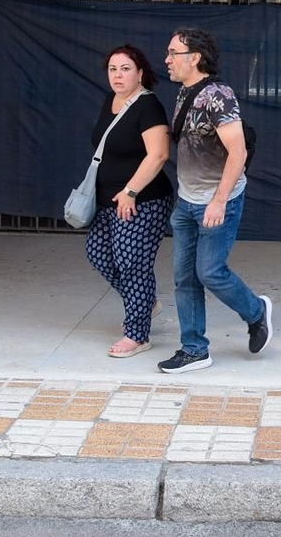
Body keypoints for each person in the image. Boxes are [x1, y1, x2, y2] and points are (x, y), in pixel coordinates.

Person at [156, 27, 272, 373]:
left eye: (173, 52)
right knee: (184, 278)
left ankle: (256, 312)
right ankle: (194, 349)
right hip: (187, 202)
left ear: (194, 58)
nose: (167, 59)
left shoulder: (218, 95)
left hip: (218, 201)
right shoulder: (184, 92)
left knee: (209, 272)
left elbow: (237, 152)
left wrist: (219, 202)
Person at [85, 44, 173, 358]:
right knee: (97, 253)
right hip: (108, 199)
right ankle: (145, 302)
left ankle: (137, 334)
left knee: (132, 263)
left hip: (143, 199)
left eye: (125, 69)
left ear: (140, 73)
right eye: (113, 69)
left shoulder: (148, 105)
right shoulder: (111, 100)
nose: (118, 75)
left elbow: (159, 154)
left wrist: (131, 191)